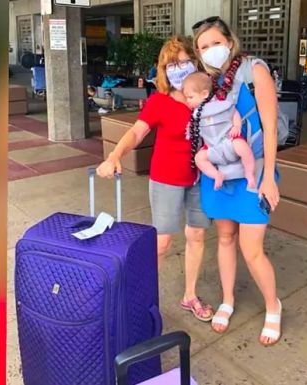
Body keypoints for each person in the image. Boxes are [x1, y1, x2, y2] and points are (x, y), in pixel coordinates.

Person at [95, 36, 214, 322]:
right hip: (166, 179)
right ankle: (138, 298)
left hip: (200, 178)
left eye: (184, 62)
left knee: (196, 235)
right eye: (171, 64)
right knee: (161, 243)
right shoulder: (159, 101)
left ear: (195, 63)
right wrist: (114, 156)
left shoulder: (206, 97)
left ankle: (190, 295)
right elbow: (137, 132)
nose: (178, 68)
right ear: (163, 69)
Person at [192, 16, 283, 346]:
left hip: (252, 172)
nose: (210, 51)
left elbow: (270, 128)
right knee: (226, 238)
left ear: (229, 42)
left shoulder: (253, 70)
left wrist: (268, 178)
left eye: (215, 43)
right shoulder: (208, 82)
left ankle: (273, 306)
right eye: (203, 47)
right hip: (219, 175)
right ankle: (228, 299)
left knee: (251, 247)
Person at [182, 72, 256, 190]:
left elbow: (233, 113)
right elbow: (194, 130)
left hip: (229, 141)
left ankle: (249, 172)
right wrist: (190, 131)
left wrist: (236, 126)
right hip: (212, 148)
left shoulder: (220, 104)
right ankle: (216, 175)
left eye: (190, 97)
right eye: (186, 98)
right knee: (199, 158)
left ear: (204, 94)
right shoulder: (196, 114)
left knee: (243, 147)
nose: (187, 101)